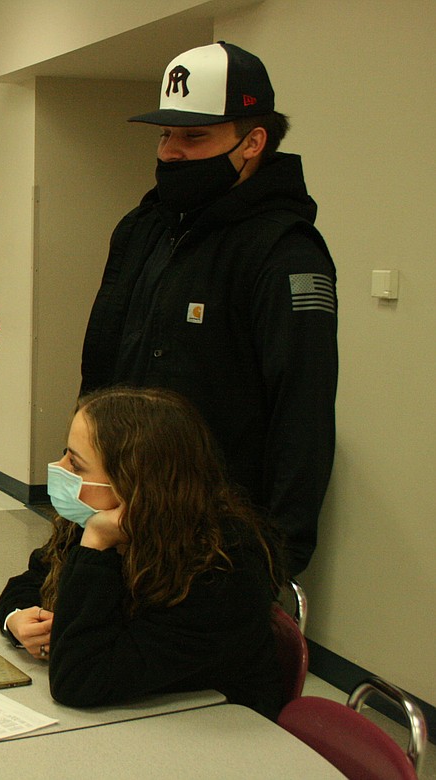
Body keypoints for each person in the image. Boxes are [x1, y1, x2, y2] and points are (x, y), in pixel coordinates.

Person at [80, 42, 337, 577]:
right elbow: (101, 366)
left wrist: (278, 554)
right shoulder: (142, 229)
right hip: (119, 511)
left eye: (194, 136)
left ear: (253, 142)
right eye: (166, 135)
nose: (171, 152)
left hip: (216, 534)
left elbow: (302, 413)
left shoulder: (284, 251)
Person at [0, 387, 283, 718]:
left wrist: (96, 544)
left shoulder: (222, 571)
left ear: (133, 484)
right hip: (130, 717)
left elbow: (78, 680)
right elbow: (30, 580)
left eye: (75, 464)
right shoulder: (96, 517)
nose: (58, 468)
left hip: (207, 731)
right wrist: (17, 619)